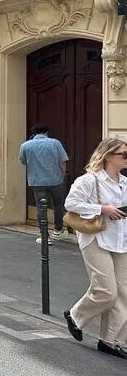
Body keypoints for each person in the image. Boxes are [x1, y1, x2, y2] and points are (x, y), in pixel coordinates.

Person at [62, 137, 127, 359]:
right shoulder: (89, 180)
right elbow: (70, 204)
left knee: (124, 294)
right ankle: (75, 315)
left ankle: (111, 341)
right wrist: (102, 209)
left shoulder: (125, 182)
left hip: (121, 240)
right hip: (96, 239)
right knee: (106, 291)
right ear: (108, 156)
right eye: (123, 154)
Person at [19, 123, 69, 244]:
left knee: (41, 209)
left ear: (33, 134)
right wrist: (62, 175)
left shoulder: (25, 145)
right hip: (56, 180)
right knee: (58, 205)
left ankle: (44, 236)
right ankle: (58, 231)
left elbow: (23, 161)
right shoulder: (55, 143)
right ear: (46, 132)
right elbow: (63, 161)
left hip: (37, 181)